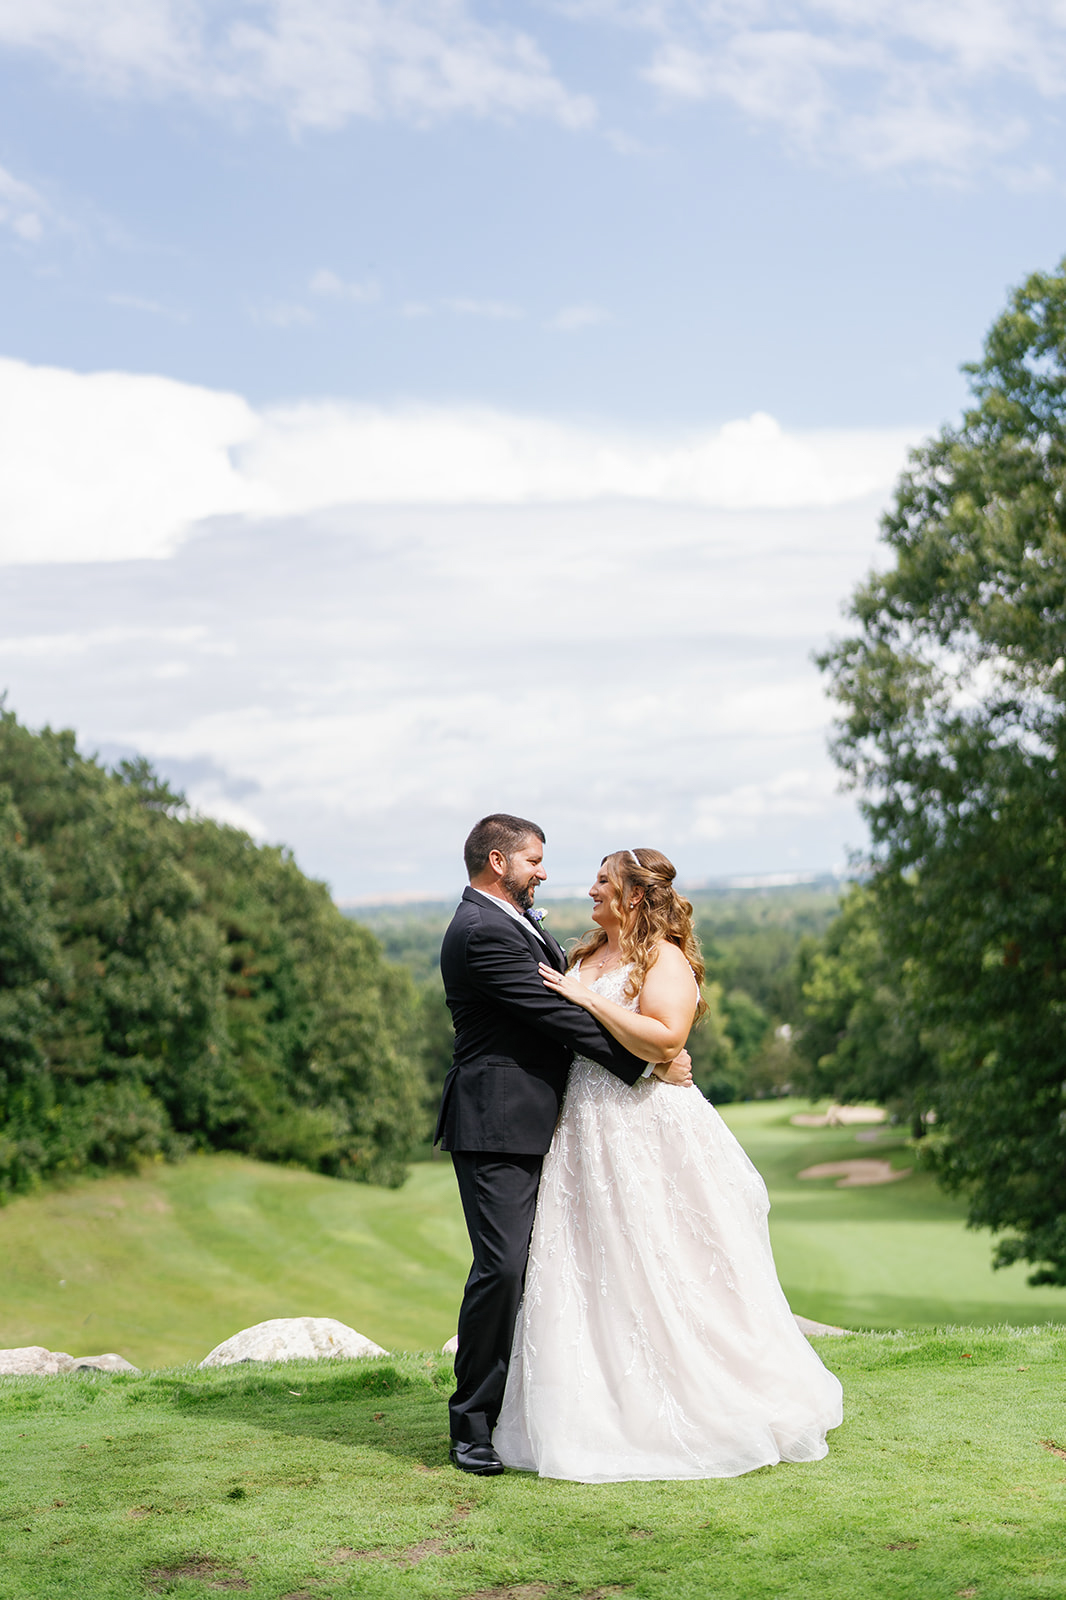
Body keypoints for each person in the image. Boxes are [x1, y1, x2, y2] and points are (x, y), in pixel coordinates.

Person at [493, 847, 844, 1482]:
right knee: (590, 1261)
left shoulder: (663, 958)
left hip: (646, 1124)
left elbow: (666, 1039)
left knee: (663, 1255)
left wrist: (588, 1000)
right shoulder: (583, 955)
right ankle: (595, 1405)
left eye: (604, 882)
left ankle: (698, 1398)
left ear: (634, 895)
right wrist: (579, 991)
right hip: (585, 1125)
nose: (591, 889)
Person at [436, 816, 693, 1477]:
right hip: (498, 1121)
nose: (545, 872)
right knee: (503, 1268)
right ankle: (470, 1425)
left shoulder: (514, 922)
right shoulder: (481, 932)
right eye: (535, 860)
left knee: (557, 1265)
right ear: (499, 861)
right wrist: (651, 1064)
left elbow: (575, 1002)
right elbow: (555, 1013)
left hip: (545, 1119)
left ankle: (551, 1402)